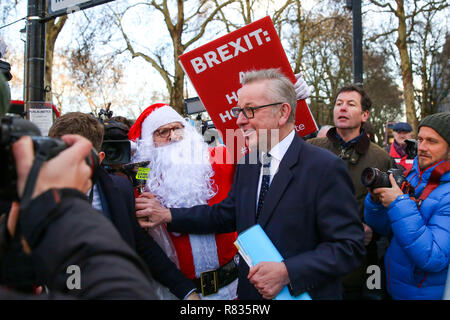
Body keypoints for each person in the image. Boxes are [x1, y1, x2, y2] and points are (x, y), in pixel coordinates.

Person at [140, 69, 365, 300]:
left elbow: (350, 247)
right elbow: (225, 214)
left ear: (283, 112)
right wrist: (168, 215)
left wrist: (288, 272)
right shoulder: (248, 163)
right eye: (239, 111)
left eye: (250, 110)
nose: (239, 120)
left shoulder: (324, 168)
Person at [48, 112, 199, 300]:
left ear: (99, 158)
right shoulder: (30, 196)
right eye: (60, 156)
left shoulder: (120, 189)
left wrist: (186, 291)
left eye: (79, 159)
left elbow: (141, 245)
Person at [0, 134, 159, 299]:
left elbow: (139, 241)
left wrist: (10, 242)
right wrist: (66, 202)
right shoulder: (16, 198)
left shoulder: (121, 187)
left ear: (99, 158)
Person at [129, 103, 239, 299]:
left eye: (177, 128)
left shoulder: (218, 157)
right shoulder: (143, 183)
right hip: (183, 294)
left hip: (235, 286)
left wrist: (286, 105)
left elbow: (260, 153)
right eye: (162, 132)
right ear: (148, 141)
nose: (172, 136)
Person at [308, 84, 394, 300]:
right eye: (339, 104)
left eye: (350, 104)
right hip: (312, 260)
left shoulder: (381, 158)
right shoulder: (311, 148)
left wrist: (373, 229)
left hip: (360, 265)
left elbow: (391, 209)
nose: (342, 108)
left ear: (364, 115)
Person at [365, 112, 450, 300]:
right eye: (420, 139)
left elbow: (433, 257)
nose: (423, 147)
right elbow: (387, 229)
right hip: (396, 288)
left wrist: (398, 204)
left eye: (432, 141)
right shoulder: (414, 176)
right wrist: (376, 202)